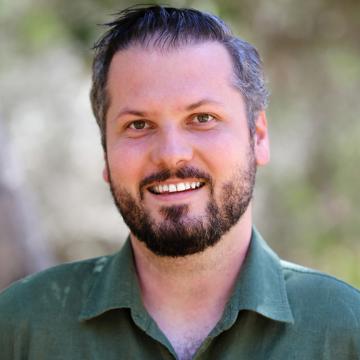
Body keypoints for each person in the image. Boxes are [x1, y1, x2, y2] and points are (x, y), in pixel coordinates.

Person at [0, 5, 359, 360]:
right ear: (105, 151)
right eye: (138, 125)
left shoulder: (345, 329)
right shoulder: (22, 326)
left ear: (258, 137)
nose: (171, 155)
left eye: (202, 118)